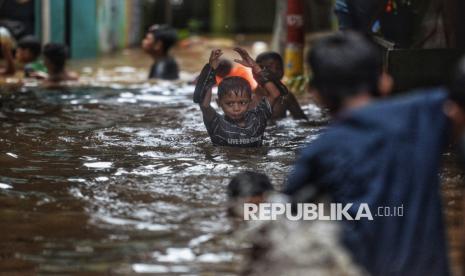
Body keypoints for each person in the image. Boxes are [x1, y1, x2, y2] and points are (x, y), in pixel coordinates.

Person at [283, 31, 465, 276]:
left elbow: (283, 220)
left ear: (317, 94)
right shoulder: (423, 114)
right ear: (384, 81)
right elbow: (456, 112)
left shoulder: (319, 153)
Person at [193, 47, 283, 147]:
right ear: (219, 103)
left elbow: (275, 94)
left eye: (242, 102)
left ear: (251, 100)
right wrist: (211, 69)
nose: (236, 108)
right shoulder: (216, 122)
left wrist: (255, 67)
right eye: (229, 103)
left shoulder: (258, 117)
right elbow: (204, 104)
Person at [255, 51, 308, 121]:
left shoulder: (286, 97)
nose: (275, 70)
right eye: (269, 67)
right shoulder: (249, 96)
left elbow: (302, 120)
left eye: (279, 67)